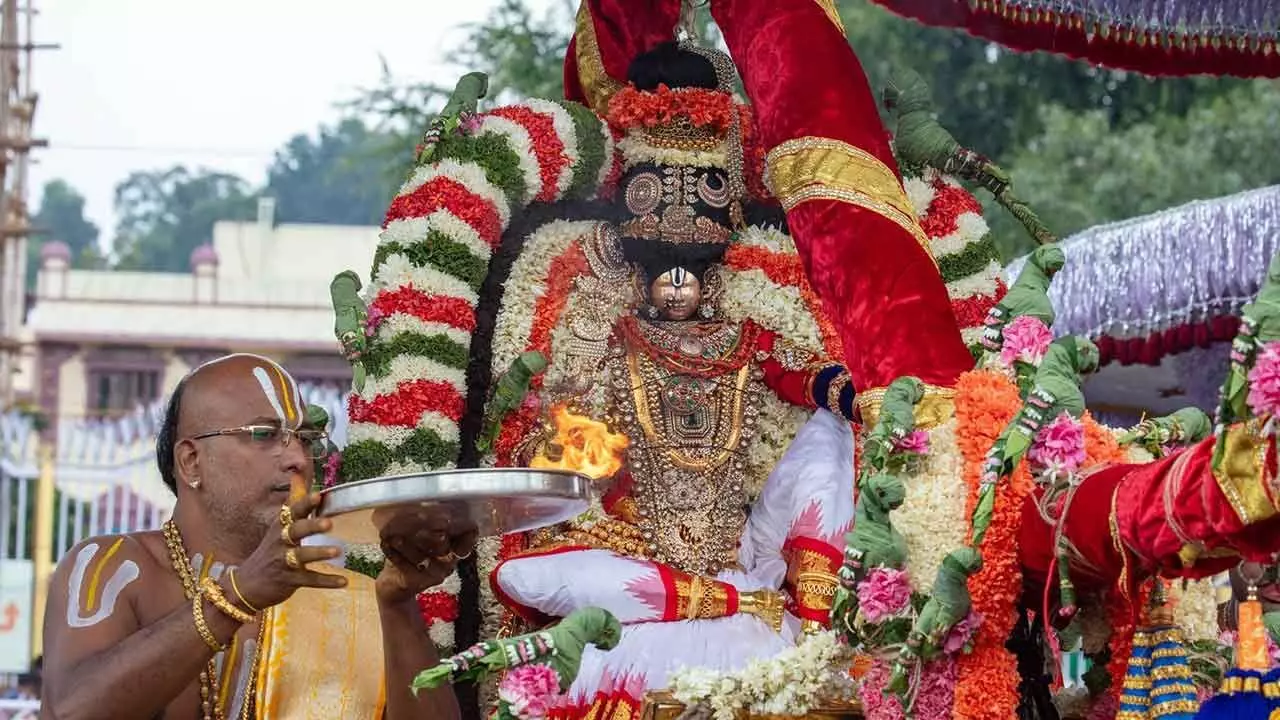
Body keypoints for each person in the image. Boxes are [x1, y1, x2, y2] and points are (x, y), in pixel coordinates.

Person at [39, 353, 477, 720]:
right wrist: (239, 594)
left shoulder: (353, 599)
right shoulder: (117, 567)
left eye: (305, 438)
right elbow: (71, 710)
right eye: (264, 434)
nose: (296, 459)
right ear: (191, 462)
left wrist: (397, 606)